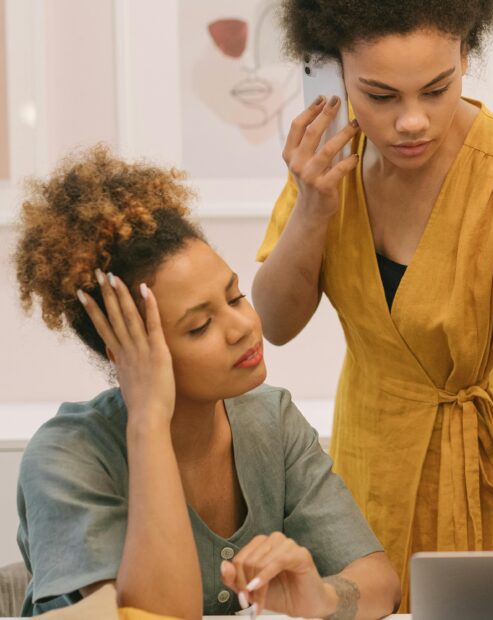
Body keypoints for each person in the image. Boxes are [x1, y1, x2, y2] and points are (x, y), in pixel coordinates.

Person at [252, 0, 493, 606]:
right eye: (381, 96)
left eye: (438, 89)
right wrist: (313, 207)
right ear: (331, 73)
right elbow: (276, 324)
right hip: (367, 463)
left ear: (467, 55)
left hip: (482, 471)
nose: (413, 121)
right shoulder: (328, 165)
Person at [13, 146, 400, 619]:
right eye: (199, 327)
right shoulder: (66, 457)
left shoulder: (270, 418)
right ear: (126, 353)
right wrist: (149, 422)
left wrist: (320, 598)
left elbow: (379, 583)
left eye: (234, 296)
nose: (241, 327)